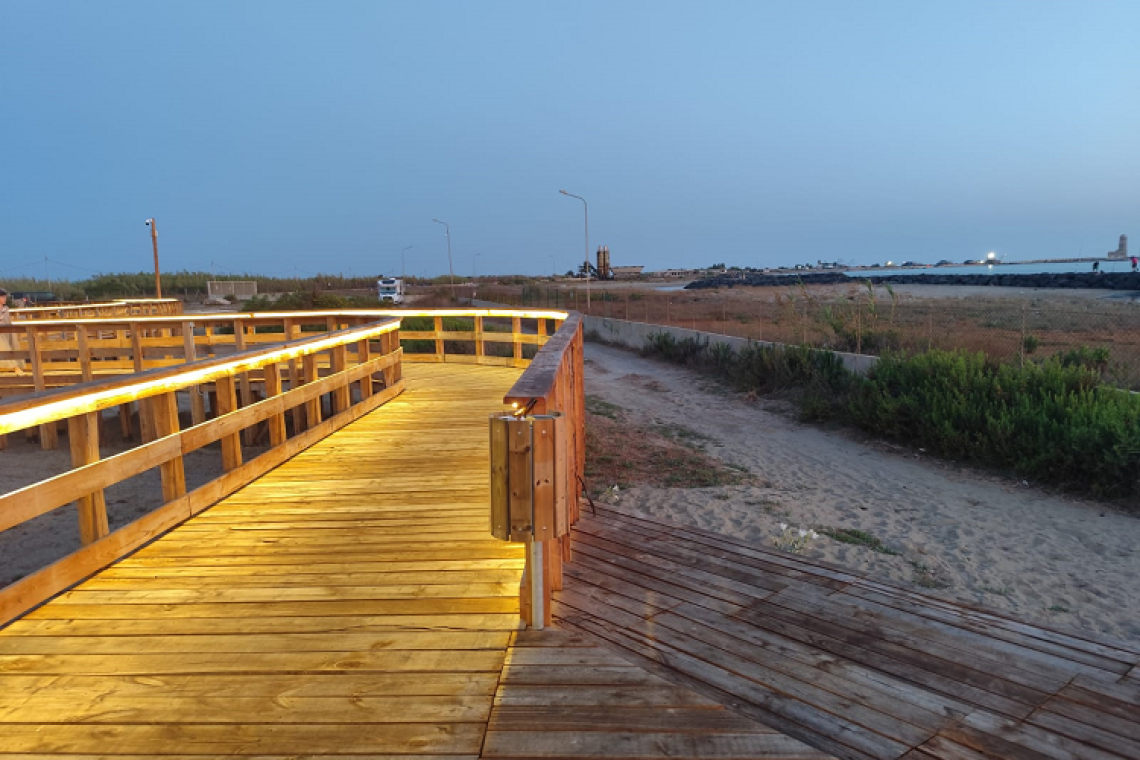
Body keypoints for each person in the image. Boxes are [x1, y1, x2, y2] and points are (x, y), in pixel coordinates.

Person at [0, 289, 16, 372]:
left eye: (4, 296)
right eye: (2, 296)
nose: (4, 298)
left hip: (6, 332)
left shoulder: (6, 309)